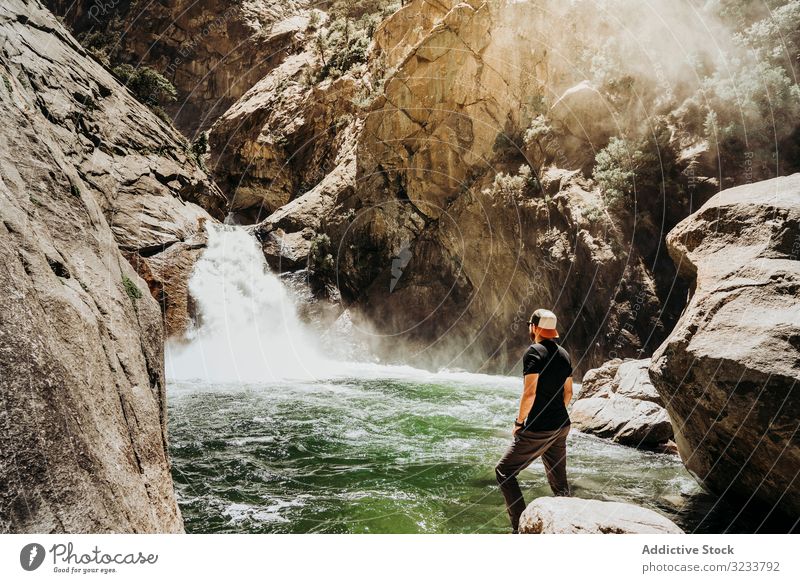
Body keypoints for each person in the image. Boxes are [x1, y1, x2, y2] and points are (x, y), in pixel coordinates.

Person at [495, 308, 574, 533]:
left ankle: (519, 528)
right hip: (561, 425)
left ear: (534, 328)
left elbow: (529, 393)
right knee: (559, 484)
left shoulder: (534, 352)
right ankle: (569, 525)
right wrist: (555, 411)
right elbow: (568, 393)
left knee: (503, 471)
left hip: (540, 427)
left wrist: (519, 422)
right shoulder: (564, 354)